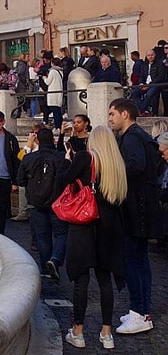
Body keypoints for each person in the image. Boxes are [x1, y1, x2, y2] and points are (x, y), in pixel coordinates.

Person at [59, 126, 128, 350]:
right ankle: (107, 333)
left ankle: (78, 331)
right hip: (109, 226)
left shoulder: (84, 157)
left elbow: (63, 181)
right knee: (104, 279)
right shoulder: (117, 164)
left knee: (81, 278)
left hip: (85, 223)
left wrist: (67, 160)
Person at [107, 98, 163, 334]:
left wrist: (113, 175)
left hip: (135, 207)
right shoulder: (141, 136)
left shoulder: (131, 137)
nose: (110, 118)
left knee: (133, 259)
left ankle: (139, 311)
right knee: (140, 259)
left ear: (125, 115)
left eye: (112, 114)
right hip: (143, 205)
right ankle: (141, 310)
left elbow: (136, 165)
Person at [17, 128, 69, 281]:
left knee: (42, 236)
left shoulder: (29, 158)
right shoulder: (61, 157)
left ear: (37, 141)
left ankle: (46, 269)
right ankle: (55, 259)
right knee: (61, 234)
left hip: (36, 202)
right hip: (57, 202)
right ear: (53, 140)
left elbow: (20, 180)